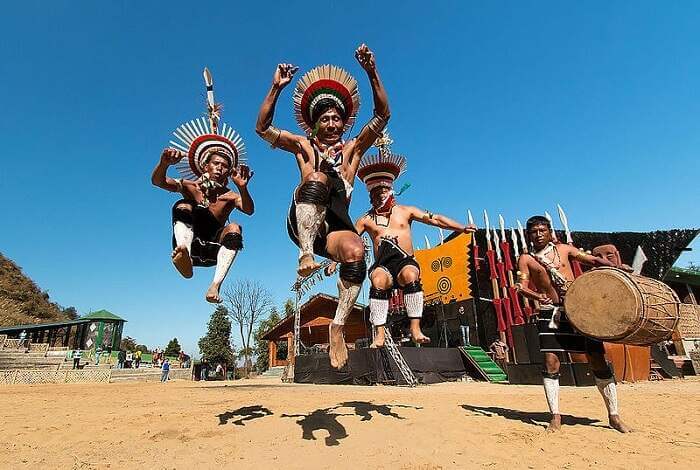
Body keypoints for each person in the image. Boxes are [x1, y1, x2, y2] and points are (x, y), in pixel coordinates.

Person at [256, 44, 390, 368]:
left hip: (334, 229)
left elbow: (383, 115)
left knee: (357, 251)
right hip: (304, 220)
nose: (331, 123)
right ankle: (304, 255)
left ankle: (339, 323)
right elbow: (262, 129)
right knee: (316, 177)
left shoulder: (352, 153)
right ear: (314, 125)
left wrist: (372, 72)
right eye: (325, 119)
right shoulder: (304, 147)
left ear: (344, 124)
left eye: (336, 119)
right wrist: (275, 87)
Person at [348, 135, 475, 347]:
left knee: (410, 274)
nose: (379, 196)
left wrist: (460, 227)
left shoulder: (406, 211)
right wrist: (335, 261)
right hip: (383, 265)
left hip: (405, 260)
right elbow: (349, 241)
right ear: (370, 195)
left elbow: (435, 219)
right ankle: (379, 333)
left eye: (383, 191)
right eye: (375, 193)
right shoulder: (366, 219)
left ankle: (415, 328)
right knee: (377, 280)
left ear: (390, 191)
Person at [515, 215, 630, 433]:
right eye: (533, 232)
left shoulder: (566, 250)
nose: (538, 235)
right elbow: (520, 286)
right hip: (550, 314)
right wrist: (536, 296)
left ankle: (614, 416)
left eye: (542, 230)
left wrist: (615, 266)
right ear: (528, 235)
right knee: (551, 362)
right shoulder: (526, 259)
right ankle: (555, 416)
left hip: (579, 311)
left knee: (597, 359)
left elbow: (592, 260)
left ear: (550, 232)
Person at [152, 68, 254, 303]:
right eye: (215, 163)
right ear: (205, 166)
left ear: (229, 171)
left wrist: (243, 188)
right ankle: (183, 254)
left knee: (235, 227)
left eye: (224, 166)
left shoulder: (228, 195)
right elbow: (158, 181)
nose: (219, 168)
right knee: (184, 205)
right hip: (189, 244)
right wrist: (163, 163)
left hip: (212, 251)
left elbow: (249, 210)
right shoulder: (190, 186)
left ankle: (215, 286)